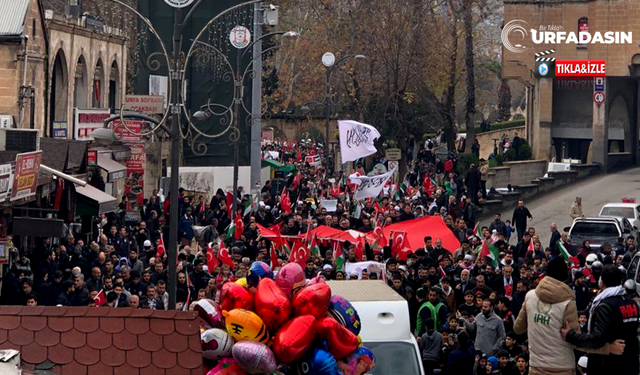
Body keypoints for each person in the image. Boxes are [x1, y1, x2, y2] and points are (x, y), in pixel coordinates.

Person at [515, 257, 622, 375]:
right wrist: (609, 348)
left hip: (536, 366)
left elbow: (518, 329)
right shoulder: (567, 303)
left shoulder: (530, 297)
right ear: (565, 277)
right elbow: (577, 341)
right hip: (562, 367)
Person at [562, 265, 639, 375]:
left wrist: (571, 336)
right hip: (630, 362)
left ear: (602, 282)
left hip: (608, 365)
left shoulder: (605, 305)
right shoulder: (631, 302)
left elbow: (598, 338)